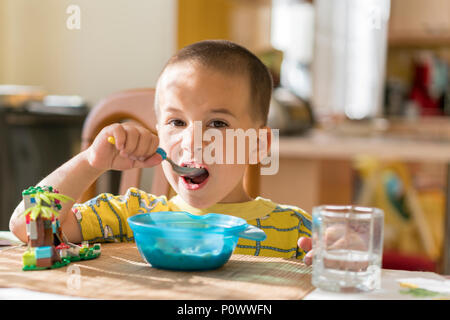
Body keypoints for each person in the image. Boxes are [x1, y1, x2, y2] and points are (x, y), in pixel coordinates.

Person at [9, 40, 313, 263]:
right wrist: (90, 162)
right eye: (177, 121)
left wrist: (339, 257)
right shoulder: (133, 215)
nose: (192, 141)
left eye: (217, 123)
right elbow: (28, 227)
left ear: (257, 145)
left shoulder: (294, 230)